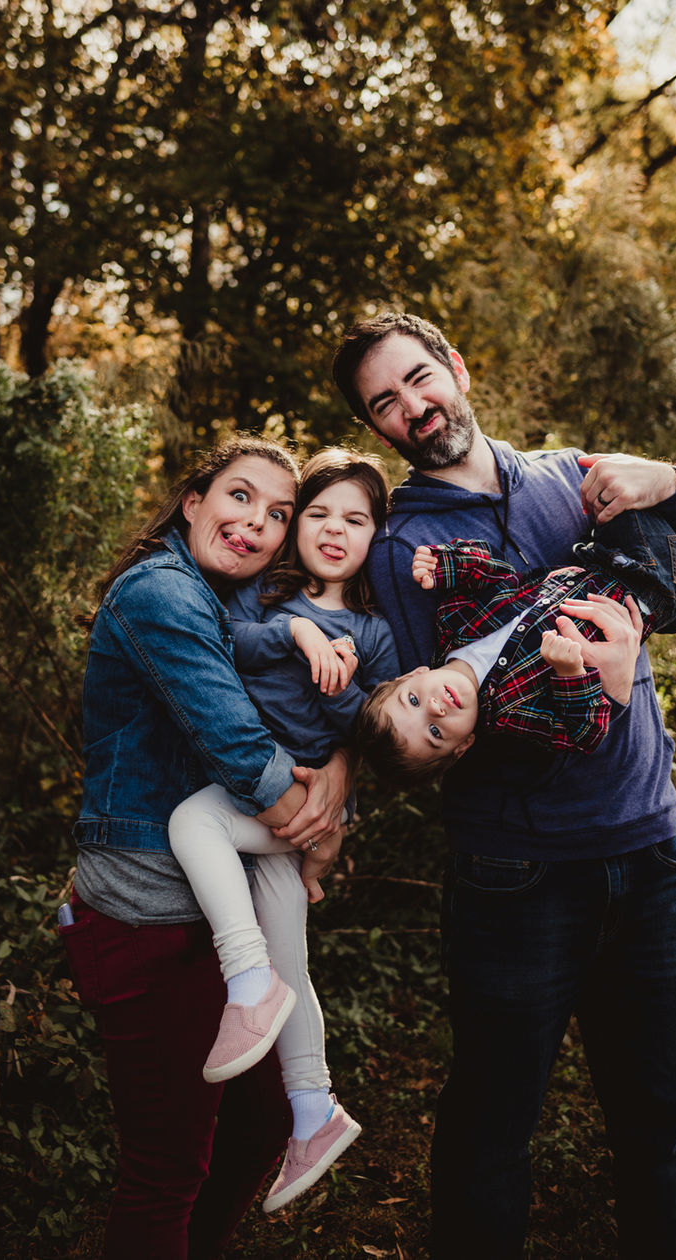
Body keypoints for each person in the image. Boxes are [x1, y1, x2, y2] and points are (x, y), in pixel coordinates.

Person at [331, 311, 676, 1259]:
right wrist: (600, 690)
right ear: (377, 428)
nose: (414, 407)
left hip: (644, 847)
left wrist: (669, 478)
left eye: (420, 378)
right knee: (490, 1133)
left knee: (661, 1131)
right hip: (517, 873)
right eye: (386, 402)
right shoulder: (402, 549)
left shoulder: (565, 474)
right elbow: (445, 730)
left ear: (455, 367)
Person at [61, 436, 350, 1260]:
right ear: (193, 501)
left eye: (276, 514)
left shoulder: (245, 606)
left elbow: (329, 715)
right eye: (238, 497)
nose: (255, 522)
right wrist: (318, 827)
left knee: (258, 1124)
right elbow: (239, 750)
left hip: (220, 925)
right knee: (164, 1169)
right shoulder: (160, 594)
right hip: (147, 916)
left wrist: (340, 764)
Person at [167, 448, 400, 1213]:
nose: (334, 530)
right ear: (294, 525)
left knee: (191, 822)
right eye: (318, 513)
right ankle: (312, 1109)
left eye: (355, 520)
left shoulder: (373, 632)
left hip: (296, 801)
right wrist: (300, 640)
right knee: (292, 956)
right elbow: (226, 649)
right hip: (260, 794)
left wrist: (334, 682)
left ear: (374, 537)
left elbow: (372, 730)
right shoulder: (261, 598)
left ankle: (245, 980)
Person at [356, 485, 676, 780]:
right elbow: (583, 734)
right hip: (647, 589)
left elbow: (499, 575)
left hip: (598, 561)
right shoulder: (512, 714)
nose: (434, 709)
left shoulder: (453, 621)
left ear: (412, 675)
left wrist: (448, 563)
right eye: (434, 734)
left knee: (611, 492)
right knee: (652, 509)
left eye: (413, 700)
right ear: (462, 748)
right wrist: (570, 673)